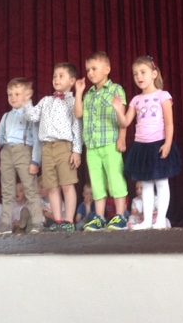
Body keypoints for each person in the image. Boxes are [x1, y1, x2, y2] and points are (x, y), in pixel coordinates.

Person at [112, 55, 182, 230]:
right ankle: (148, 221)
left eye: (143, 72)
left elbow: (169, 123)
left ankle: (160, 220)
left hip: (158, 144)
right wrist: (118, 110)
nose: (139, 77)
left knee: (161, 182)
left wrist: (167, 143)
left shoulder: (162, 96)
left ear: (154, 74)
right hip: (141, 146)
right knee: (147, 184)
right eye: (135, 74)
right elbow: (125, 122)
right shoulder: (136, 100)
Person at [23, 63, 82, 232]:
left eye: (61, 76)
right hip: (47, 148)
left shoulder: (74, 102)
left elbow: (77, 127)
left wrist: (77, 151)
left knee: (67, 185)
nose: (56, 79)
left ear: (72, 81)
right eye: (55, 76)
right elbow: (32, 116)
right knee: (52, 187)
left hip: (64, 147)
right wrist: (27, 102)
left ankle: (69, 221)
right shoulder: (46, 100)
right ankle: (58, 221)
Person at [75, 52, 129, 231]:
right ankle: (99, 217)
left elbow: (122, 118)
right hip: (92, 146)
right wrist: (79, 92)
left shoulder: (116, 90)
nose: (90, 73)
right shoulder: (89, 94)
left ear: (107, 69)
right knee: (97, 183)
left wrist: (122, 138)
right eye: (88, 70)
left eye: (94, 69)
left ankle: (120, 215)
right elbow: (79, 114)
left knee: (115, 179)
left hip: (110, 143)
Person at [0, 77, 44, 235]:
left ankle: (38, 222)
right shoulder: (6, 116)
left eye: (17, 94)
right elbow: (0, 136)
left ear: (28, 95)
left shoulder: (31, 116)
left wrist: (35, 161)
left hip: (23, 151)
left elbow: (37, 140)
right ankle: (5, 224)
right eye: (10, 94)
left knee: (30, 188)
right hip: (7, 152)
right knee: (7, 190)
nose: (13, 97)